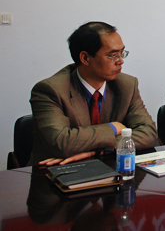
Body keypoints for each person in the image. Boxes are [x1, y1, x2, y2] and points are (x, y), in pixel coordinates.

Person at [29, 22, 158, 166]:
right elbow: (62, 143)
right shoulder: (50, 90)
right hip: (56, 170)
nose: (121, 61)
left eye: (122, 53)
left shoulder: (127, 85)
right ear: (85, 58)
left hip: (110, 167)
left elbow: (149, 134)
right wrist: (113, 128)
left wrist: (96, 151)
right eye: (113, 55)